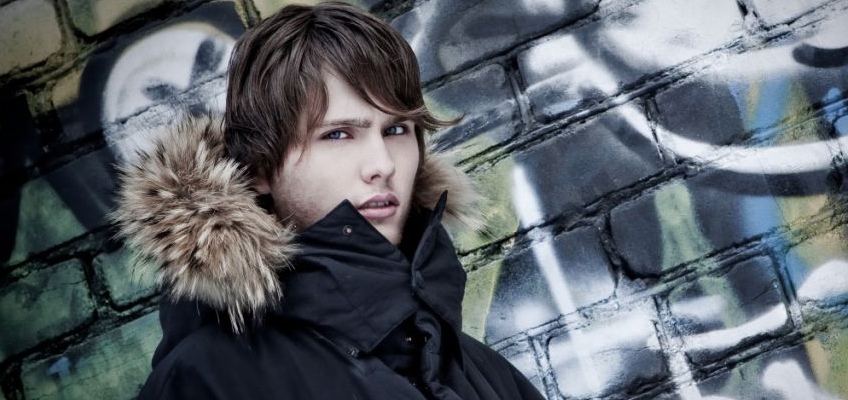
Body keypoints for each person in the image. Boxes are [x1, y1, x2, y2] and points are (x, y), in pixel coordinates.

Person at [109, 2, 546, 399]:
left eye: (396, 130)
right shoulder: (209, 380)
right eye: (337, 135)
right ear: (259, 170)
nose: (382, 164)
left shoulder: (487, 375)